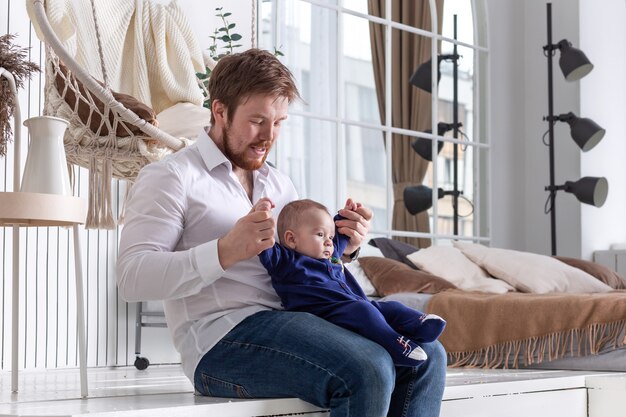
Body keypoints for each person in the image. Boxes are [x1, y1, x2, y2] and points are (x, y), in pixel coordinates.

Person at [116, 48, 446, 417]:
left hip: (300, 321)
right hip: (221, 344)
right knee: (367, 367)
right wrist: (225, 250)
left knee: (429, 355)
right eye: (257, 121)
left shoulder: (279, 182)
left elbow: (300, 264)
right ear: (219, 110)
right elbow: (132, 278)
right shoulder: (171, 177)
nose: (268, 136)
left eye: (278, 122)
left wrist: (342, 249)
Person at [256, 197, 446, 367]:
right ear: (291, 239)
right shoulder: (285, 261)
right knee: (364, 311)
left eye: (330, 237)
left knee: (388, 306)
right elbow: (263, 244)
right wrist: (260, 217)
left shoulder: (332, 254)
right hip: (324, 313)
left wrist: (350, 213)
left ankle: (419, 324)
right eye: (320, 235)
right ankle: (394, 344)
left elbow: (342, 229)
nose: (329, 242)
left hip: (355, 305)